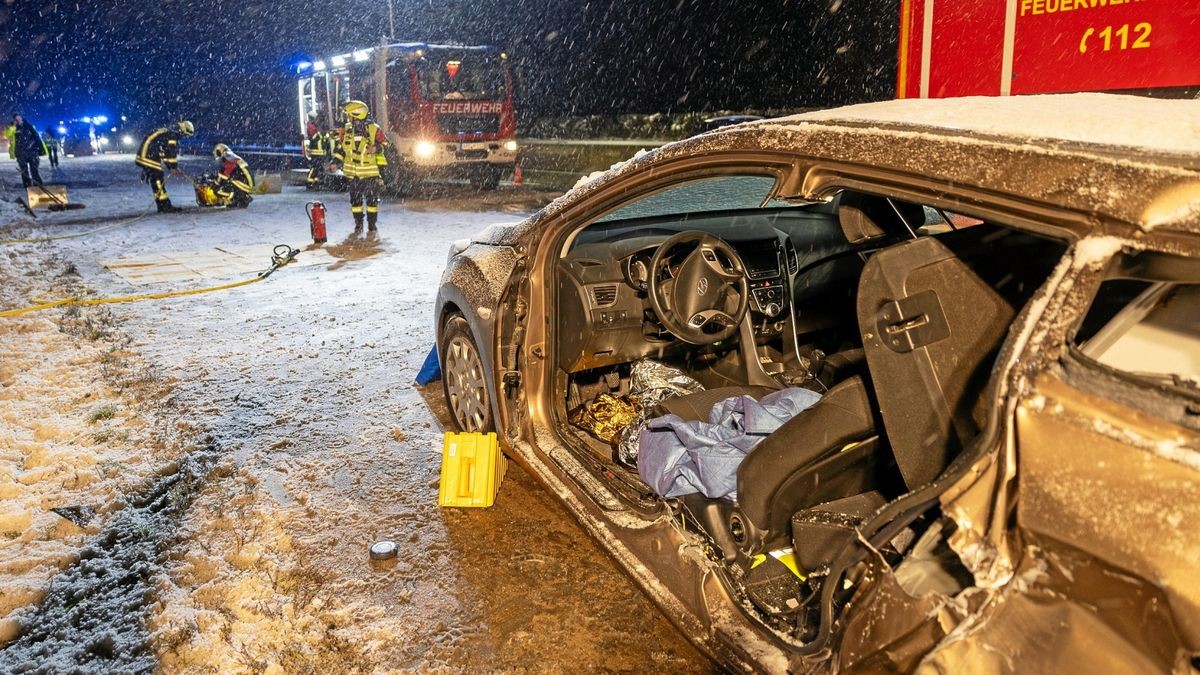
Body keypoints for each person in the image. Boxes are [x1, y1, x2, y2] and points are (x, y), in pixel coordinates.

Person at [331, 100, 389, 232]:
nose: (348, 118)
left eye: (350, 115)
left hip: (370, 174)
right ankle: (358, 223)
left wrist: (377, 148)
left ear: (357, 115)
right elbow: (342, 149)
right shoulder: (346, 129)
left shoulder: (374, 129)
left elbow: (387, 145)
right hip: (353, 175)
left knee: (372, 202)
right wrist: (335, 162)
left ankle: (372, 224)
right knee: (355, 202)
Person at [135, 120, 194, 213]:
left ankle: (162, 205)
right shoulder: (172, 135)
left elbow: (164, 153)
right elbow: (170, 152)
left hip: (146, 155)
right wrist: (173, 167)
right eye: (185, 135)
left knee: (156, 179)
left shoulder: (168, 132)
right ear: (183, 130)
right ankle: (164, 206)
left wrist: (172, 167)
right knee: (158, 179)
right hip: (148, 156)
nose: (183, 137)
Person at [211, 143, 254, 208]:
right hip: (245, 181)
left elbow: (229, 170)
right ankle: (239, 197)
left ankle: (233, 198)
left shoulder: (228, 156)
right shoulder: (233, 156)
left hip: (241, 181)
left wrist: (218, 179)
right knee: (226, 182)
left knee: (217, 189)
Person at [11, 114, 47, 188]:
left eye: (19, 118)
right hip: (21, 154)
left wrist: (41, 149)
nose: (18, 120)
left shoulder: (29, 127)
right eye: (16, 119)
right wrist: (13, 127)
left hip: (32, 152)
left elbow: (37, 138)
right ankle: (28, 188)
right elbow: (8, 135)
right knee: (24, 173)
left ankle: (38, 187)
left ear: (21, 118)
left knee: (34, 171)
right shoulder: (14, 129)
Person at [304, 113, 328, 190]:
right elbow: (313, 135)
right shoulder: (312, 127)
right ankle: (310, 182)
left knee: (318, 168)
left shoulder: (314, 128)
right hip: (316, 153)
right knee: (315, 168)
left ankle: (316, 182)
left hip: (319, 153)